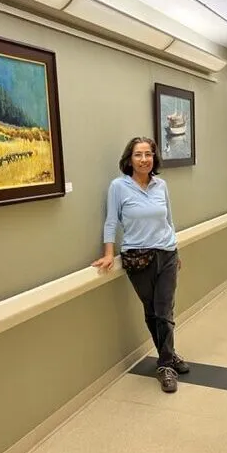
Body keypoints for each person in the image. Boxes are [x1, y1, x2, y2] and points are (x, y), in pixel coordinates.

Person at [92, 136, 189, 393]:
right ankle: (169, 354)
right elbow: (111, 221)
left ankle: (165, 365)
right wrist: (108, 253)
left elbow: (169, 220)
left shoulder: (161, 185)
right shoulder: (118, 187)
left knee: (164, 310)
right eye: (138, 154)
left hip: (167, 253)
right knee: (152, 310)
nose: (144, 159)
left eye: (148, 154)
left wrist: (175, 249)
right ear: (130, 159)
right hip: (138, 257)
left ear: (154, 158)